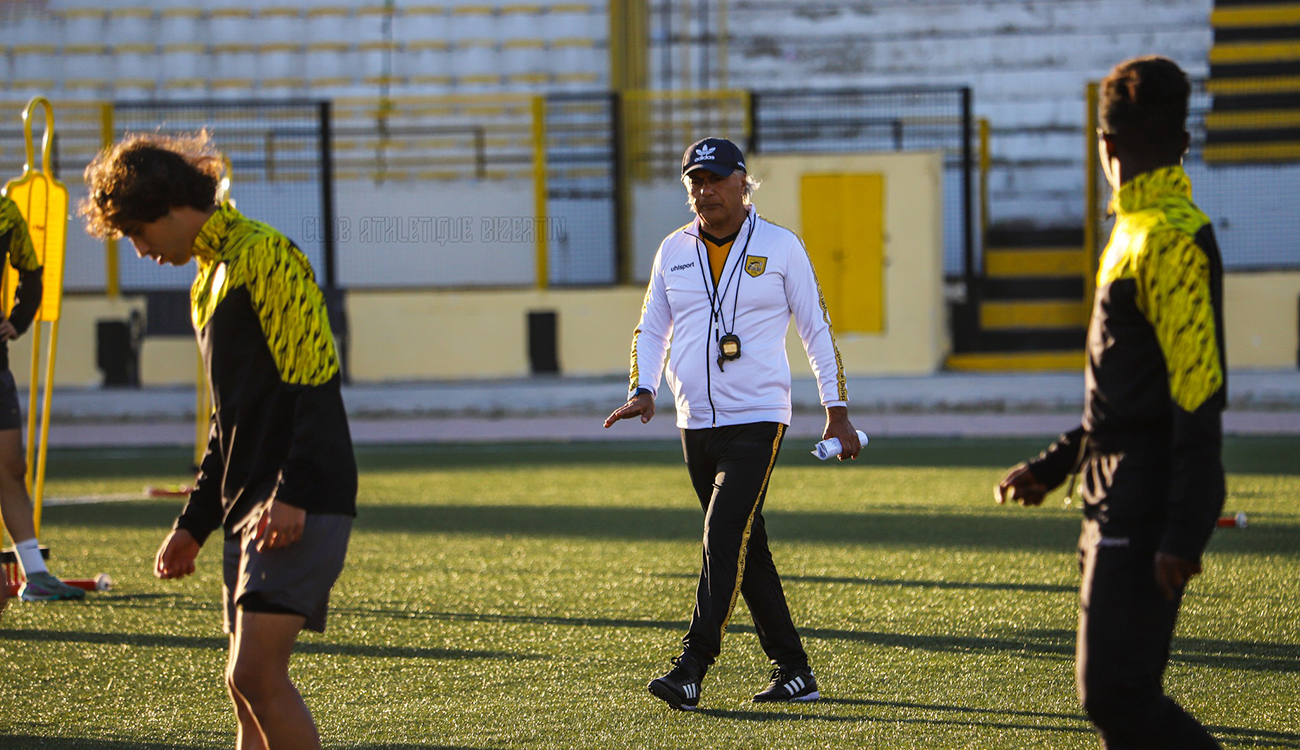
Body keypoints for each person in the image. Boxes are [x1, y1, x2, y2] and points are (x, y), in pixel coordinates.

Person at [82, 132, 357, 750]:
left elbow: (313, 379)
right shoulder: (207, 279)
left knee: (254, 674)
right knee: (244, 690)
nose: (138, 248)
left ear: (172, 207)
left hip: (296, 496)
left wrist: (293, 493)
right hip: (247, 505)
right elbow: (226, 423)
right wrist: (194, 524)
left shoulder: (264, 255)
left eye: (137, 230)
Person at [996, 56, 1225, 749]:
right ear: (1182, 141)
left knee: (1117, 696)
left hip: (1144, 497)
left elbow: (1198, 398)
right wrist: (1060, 462)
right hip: (1111, 486)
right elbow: (1134, 392)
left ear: (1106, 145)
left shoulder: (1169, 237)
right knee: (1117, 709)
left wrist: (1184, 526)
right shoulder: (1135, 229)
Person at [605, 137, 861, 710]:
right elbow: (652, 327)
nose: (706, 190)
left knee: (722, 535)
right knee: (748, 548)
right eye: (696, 180)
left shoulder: (781, 246)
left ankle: (692, 667)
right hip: (694, 424)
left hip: (759, 419)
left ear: (744, 182)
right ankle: (796, 671)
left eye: (717, 179)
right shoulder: (673, 249)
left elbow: (816, 329)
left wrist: (835, 410)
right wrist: (643, 388)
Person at [0, 194, 85, 603]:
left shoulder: (5, 210)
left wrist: (17, 321)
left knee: (11, 468)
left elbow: (32, 272)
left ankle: (35, 575)